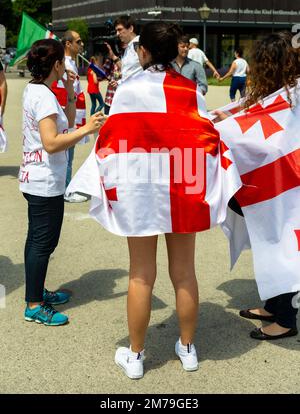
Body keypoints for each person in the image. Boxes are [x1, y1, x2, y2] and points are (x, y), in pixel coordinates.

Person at [66, 22, 240, 378]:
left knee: (141, 276)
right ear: (177, 50)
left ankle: (135, 355)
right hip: (184, 187)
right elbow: (206, 137)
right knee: (185, 273)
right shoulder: (191, 90)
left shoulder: (128, 90)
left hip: (141, 189)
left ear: (142, 52)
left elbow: (112, 139)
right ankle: (188, 349)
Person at [214, 32, 300, 340]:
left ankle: (287, 320)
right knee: (270, 240)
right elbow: (255, 124)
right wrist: (228, 122)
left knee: (285, 244)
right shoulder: (277, 94)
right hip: (276, 184)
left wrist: (229, 129)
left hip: (288, 186)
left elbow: (277, 142)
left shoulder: (293, 95)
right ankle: (273, 305)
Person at [19, 39, 105, 326]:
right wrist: (87, 129)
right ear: (56, 64)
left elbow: (63, 124)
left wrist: (69, 93)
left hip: (39, 178)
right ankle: (34, 304)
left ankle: (36, 291)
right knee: (43, 242)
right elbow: (52, 142)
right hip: (43, 179)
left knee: (40, 240)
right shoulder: (42, 96)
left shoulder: (39, 90)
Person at [61, 30, 89, 203]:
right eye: (78, 41)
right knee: (67, 155)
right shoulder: (64, 64)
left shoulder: (70, 62)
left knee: (69, 154)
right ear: (68, 44)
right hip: (67, 114)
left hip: (73, 112)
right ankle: (65, 190)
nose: (82, 44)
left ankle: (66, 187)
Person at [114, 15, 142, 81]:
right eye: (116, 31)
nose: (117, 34)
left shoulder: (141, 44)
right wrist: (120, 81)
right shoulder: (128, 47)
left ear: (130, 29)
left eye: (120, 29)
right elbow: (130, 72)